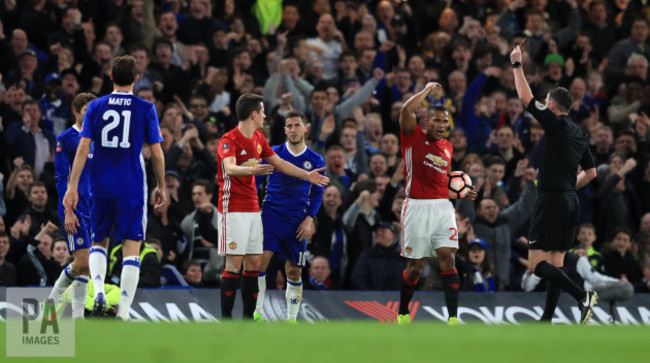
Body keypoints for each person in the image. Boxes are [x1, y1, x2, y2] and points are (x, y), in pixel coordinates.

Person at [63, 55, 167, 321]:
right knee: (132, 247)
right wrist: (161, 185)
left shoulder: (96, 106)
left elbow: (83, 147)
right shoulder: (146, 108)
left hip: (100, 184)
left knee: (99, 240)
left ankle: (98, 289)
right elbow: (156, 153)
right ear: (135, 78)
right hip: (131, 184)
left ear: (111, 78)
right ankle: (123, 311)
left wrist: (72, 187)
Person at [216, 93, 329, 320]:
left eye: (297, 125)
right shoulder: (230, 139)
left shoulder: (260, 139)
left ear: (305, 128)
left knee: (259, 264)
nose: (266, 116)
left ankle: (255, 320)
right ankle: (231, 319)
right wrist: (253, 171)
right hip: (247, 210)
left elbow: (281, 165)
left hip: (272, 214)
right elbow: (231, 168)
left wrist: (308, 178)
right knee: (238, 264)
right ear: (255, 114)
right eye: (263, 112)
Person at [510, 44, 598, 324]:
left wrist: (516, 64)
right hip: (571, 201)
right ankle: (547, 319)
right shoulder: (579, 133)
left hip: (550, 200)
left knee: (537, 265)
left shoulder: (555, 124)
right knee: (556, 262)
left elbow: (525, 97)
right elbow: (592, 173)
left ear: (551, 105)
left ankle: (582, 296)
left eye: (546, 102)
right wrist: (570, 186)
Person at [396, 82, 477, 325]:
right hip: (416, 207)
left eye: (446, 121)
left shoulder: (448, 148)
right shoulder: (412, 137)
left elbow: (445, 181)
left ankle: (453, 318)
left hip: (442, 207)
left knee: (448, 257)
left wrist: (461, 193)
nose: (443, 125)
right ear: (426, 122)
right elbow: (405, 111)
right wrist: (426, 91)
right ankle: (402, 312)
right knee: (415, 268)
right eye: (438, 121)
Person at [253, 110, 325, 322]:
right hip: (271, 216)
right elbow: (256, 182)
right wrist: (254, 207)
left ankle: (291, 321)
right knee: (259, 264)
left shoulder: (315, 159)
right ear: (284, 130)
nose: (293, 130)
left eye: (297, 125)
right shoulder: (273, 153)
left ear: (306, 128)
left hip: (297, 222)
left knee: (294, 272)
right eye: (289, 126)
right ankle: (256, 313)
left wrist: (309, 218)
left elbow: (318, 192)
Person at [45, 92, 96, 320]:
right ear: (76, 112)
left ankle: (78, 318)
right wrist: (68, 211)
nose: (92, 114)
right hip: (75, 209)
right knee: (82, 262)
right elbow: (61, 177)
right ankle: (49, 307)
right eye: (86, 110)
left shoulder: (100, 139)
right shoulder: (66, 138)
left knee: (87, 265)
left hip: (96, 209)